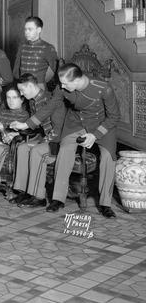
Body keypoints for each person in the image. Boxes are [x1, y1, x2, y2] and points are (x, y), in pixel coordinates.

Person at [33, 64, 120, 218]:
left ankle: (105, 204)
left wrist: (95, 135)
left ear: (78, 80)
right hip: (76, 122)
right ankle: (58, 199)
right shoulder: (63, 87)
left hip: (101, 124)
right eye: (61, 83)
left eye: (65, 83)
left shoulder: (103, 88)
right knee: (65, 149)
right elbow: (51, 106)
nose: (62, 86)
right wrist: (28, 123)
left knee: (108, 157)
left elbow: (114, 116)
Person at [8, 73, 66, 208]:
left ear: (30, 86)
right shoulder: (33, 101)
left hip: (56, 142)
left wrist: (44, 142)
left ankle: (39, 196)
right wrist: (17, 130)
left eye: (22, 90)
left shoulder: (50, 100)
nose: (21, 94)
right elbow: (37, 126)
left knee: (36, 150)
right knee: (22, 148)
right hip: (45, 139)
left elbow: (58, 129)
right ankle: (24, 191)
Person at [13, 16, 58, 88]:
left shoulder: (48, 48)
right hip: (22, 86)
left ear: (39, 30)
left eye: (30, 29)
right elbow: (16, 69)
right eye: (25, 29)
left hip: (38, 86)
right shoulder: (22, 46)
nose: (26, 32)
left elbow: (55, 69)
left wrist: (42, 82)